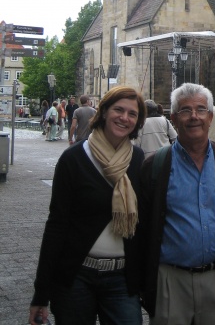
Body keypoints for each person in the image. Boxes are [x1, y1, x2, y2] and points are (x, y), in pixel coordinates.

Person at [28, 86, 147, 325]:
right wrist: (41, 292)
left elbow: (143, 225)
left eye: (132, 114)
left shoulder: (138, 159)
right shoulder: (74, 158)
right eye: (118, 110)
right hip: (76, 276)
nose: (124, 118)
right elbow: (56, 225)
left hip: (121, 278)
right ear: (103, 112)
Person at [140, 83, 215, 325]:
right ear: (174, 119)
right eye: (186, 111)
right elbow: (143, 227)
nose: (194, 117)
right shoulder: (155, 165)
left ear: (210, 117)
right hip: (170, 282)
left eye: (200, 110)